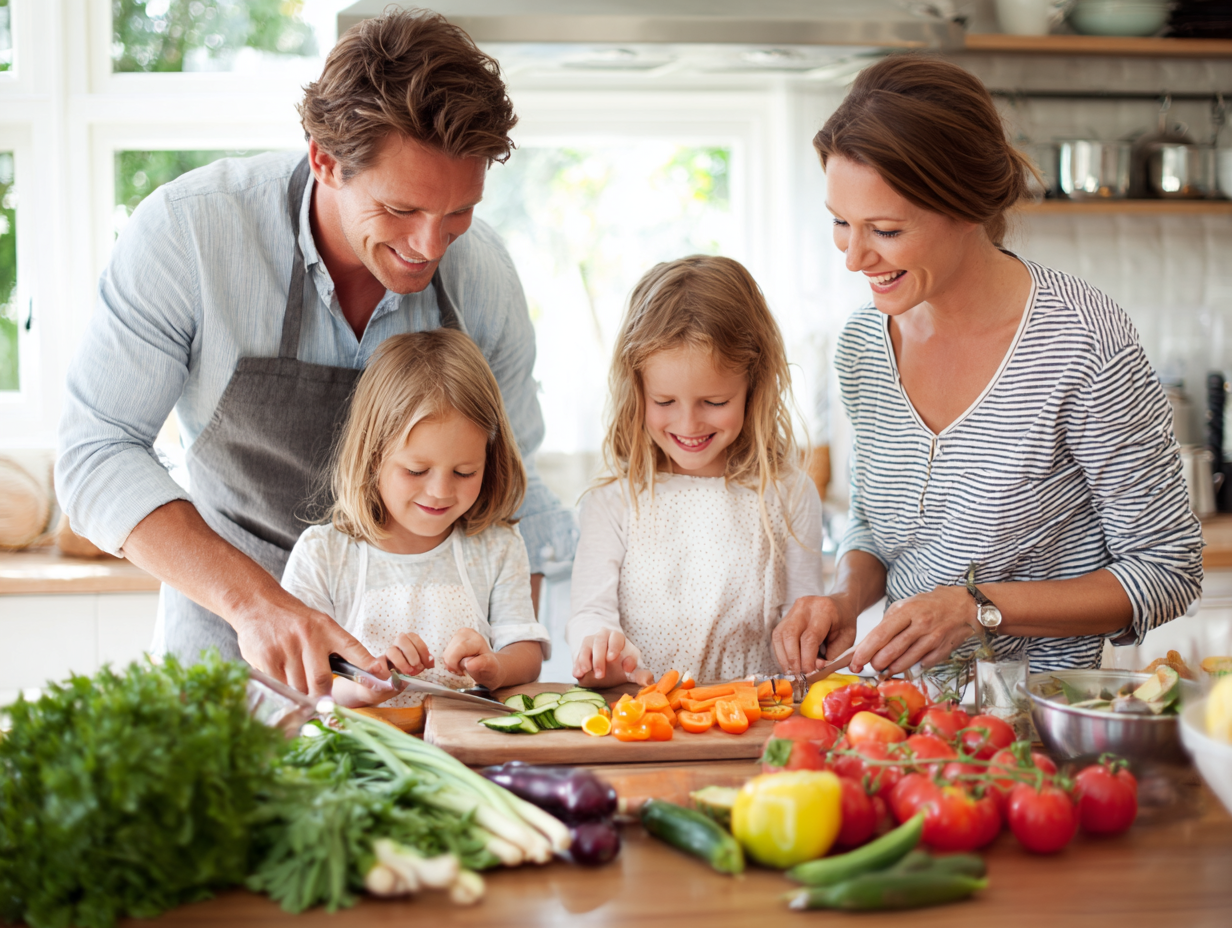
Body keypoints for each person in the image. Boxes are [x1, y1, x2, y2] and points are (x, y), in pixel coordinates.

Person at [55, 10, 575, 696]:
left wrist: (504, 667)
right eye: (400, 210)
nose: (429, 246)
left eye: (458, 214)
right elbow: (97, 451)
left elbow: (517, 488)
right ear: (326, 160)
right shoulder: (191, 235)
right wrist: (257, 604)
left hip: (422, 703)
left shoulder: (482, 278)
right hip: (229, 656)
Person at [772, 55, 1203, 679]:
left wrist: (979, 608)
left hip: (1039, 734)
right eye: (842, 223)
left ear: (966, 206)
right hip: (901, 724)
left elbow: (1167, 569)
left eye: (886, 230)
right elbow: (875, 522)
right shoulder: (864, 343)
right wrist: (845, 597)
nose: (855, 257)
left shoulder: (1083, 343)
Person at [568, 255, 825, 687]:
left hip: (751, 725)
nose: (688, 425)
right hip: (643, 721)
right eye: (665, 402)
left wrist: (807, 646)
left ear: (754, 386)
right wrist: (600, 648)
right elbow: (590, 613)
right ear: (637, 390)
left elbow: (801, 614)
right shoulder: (614, 499)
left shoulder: (789, 493)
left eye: (715, 402)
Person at [281, 330, 547, 707]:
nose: (440, 491)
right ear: (372, 457)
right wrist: (363, 687)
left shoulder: (496, 546)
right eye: (416, 470)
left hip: (466, 754)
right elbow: (301, 678)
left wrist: (496, 667)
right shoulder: (323, 555)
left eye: (465, 472)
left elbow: (527, 653)